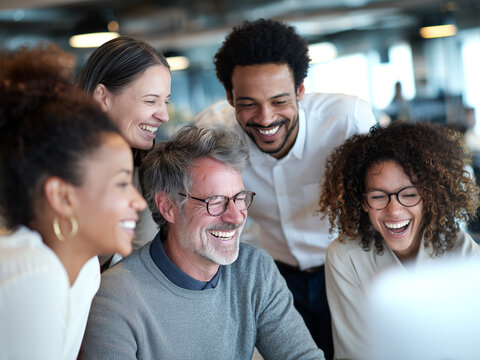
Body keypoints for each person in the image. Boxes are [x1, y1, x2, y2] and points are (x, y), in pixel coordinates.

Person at [194, 18, 377, 358]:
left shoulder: (347, 120)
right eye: (248, 104)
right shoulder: (213, 135)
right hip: (276, 278)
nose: (265, 118)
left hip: (347, 271)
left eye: (279, 101)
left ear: (300, 91)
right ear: (229, 97)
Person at [81, 126, 324, 360]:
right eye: (216, 201)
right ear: (168, 207)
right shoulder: (116, 296)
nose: (236, 216)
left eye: (239, 198)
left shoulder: (255, 270)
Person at [0, 45, 146, 359]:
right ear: (63, 197)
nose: (139, 202)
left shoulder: (86, 271)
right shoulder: (33, 274)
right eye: (121, 183)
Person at [318, 122, 480, 359]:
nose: (394, 210)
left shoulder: (462, 252)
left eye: (409, 194)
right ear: (362, 202)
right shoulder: (345, 257)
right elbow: (356, 353)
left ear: (428, 197)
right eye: (378, 196)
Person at [76, 36, 171, 262]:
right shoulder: (56, 165)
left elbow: (140, 259)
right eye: (150, 101)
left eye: (165, 101)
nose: (164, 116)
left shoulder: (144, 166)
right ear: (102, 97)